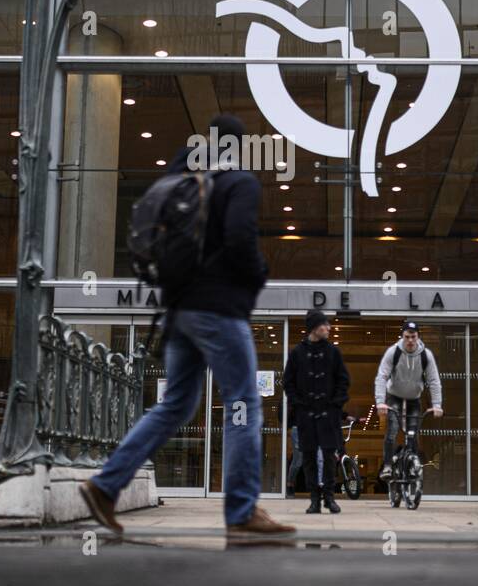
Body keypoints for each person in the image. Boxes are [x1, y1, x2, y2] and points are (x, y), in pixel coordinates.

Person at [81, 114, 296, 541]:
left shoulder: (181, 178)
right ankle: (241, 511)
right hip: (218, 308)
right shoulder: (238, 182)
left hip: (178, 312)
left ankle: (105, 486)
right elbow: (239, 241)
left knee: (175, 404)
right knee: (243, 404)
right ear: (238, 146)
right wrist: (257, 276)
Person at [283, 309, 350, 514]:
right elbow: (288, 382)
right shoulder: (297, 353)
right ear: (314, 328)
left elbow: (343, 380)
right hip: (306, 415)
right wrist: (298, 404)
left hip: (328, 415)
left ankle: (329, 497)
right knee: (309, 458)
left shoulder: (333, 352)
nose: (328, 328)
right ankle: (314, 499)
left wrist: (336, 404)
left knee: (330, 457)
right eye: (324, 325)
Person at [374, 320, 443, 480]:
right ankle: (387, 466)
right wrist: (380, 402)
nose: (410, 340)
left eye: (413, 337)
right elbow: (382, 377)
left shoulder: (426, 355)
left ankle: (412, 465)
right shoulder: (393, 352)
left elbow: (434, 380)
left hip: (414, 398)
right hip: (394, 397)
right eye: (407, 337)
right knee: (392, 431)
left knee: (413, 434)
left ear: (418, 337)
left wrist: (437, 405)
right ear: (402, 336)